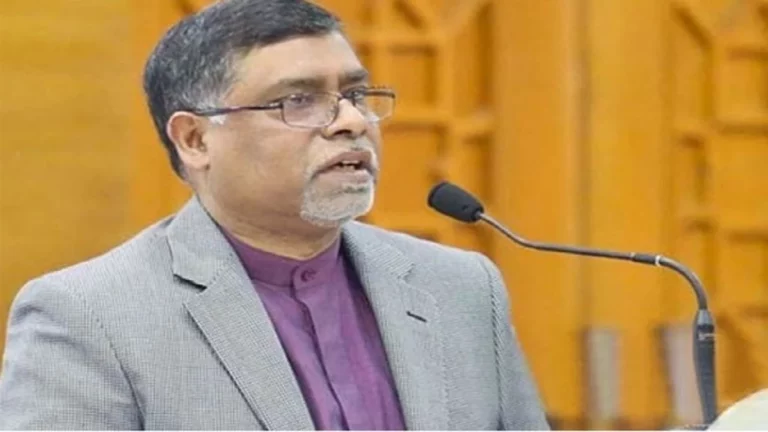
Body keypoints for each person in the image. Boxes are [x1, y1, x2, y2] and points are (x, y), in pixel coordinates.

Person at [0, 0, 548, 429]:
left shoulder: (460, 288)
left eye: (356, 94)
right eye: (298, 101)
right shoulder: (90, 316)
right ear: (195, 139)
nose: (352, 121)